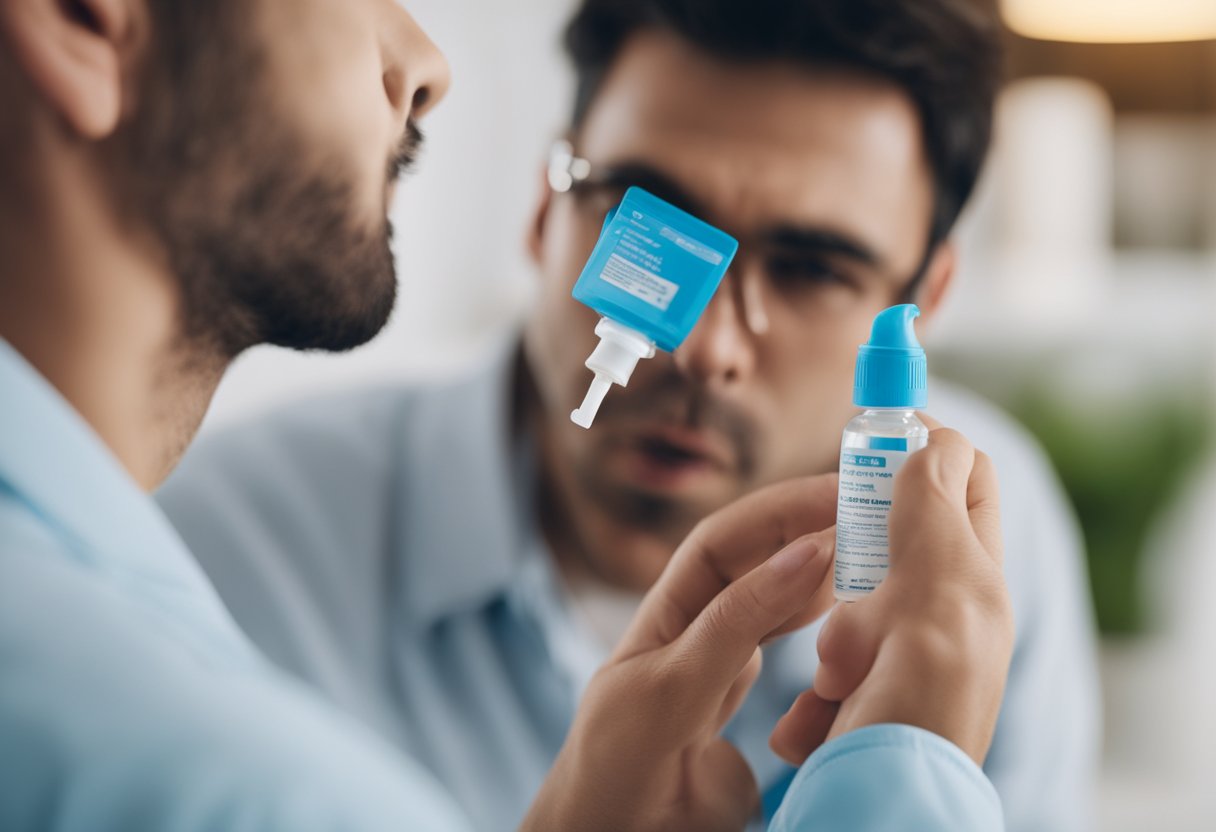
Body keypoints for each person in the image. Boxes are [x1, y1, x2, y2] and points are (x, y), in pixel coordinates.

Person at [0, 0, 1013, 829]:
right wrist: (909, 784)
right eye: (642, 214)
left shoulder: (998, 567)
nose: (703, 345)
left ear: (923, 303)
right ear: (542, 208)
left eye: (811, 269)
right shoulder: (228, 560)